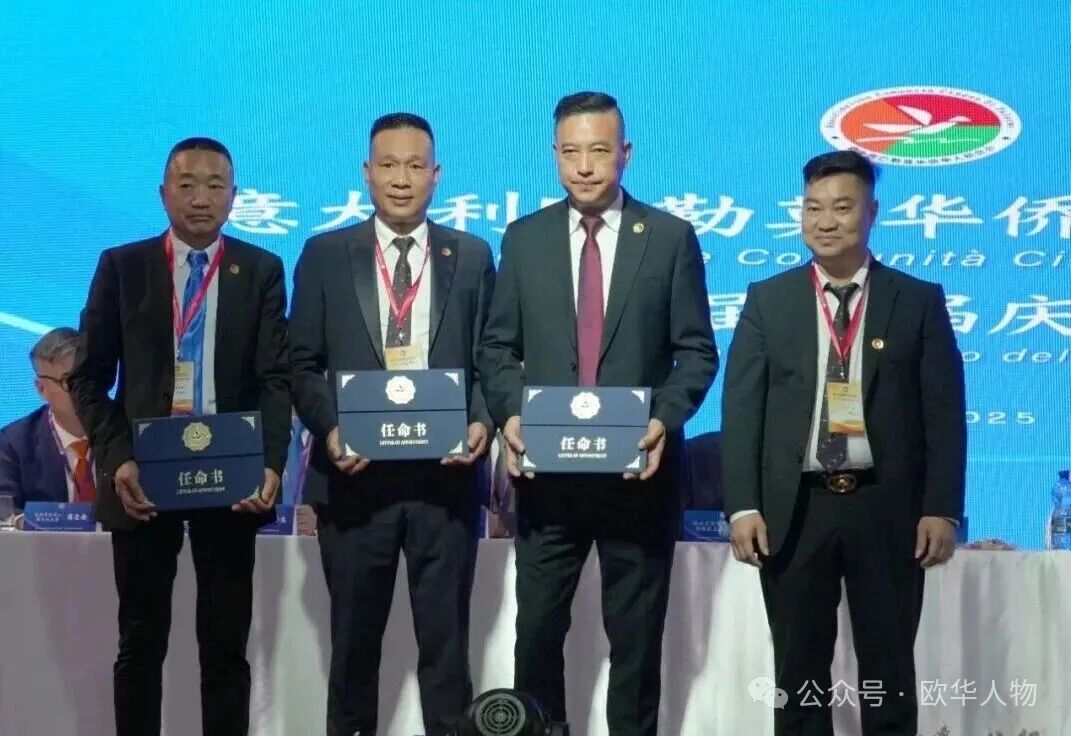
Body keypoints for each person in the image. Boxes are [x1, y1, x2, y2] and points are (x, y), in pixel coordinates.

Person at [478, 91, 718, 736]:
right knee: (536, 638)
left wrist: (662, 419)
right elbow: (497, 348)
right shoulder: (524, 239)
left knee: (636, 645)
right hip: (546, 481)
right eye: (571, 152)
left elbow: (696, 351)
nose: (584, 166)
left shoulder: (668, 238)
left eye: (599, 151)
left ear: (626, 153)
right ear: (554, 153)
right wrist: (510, 416)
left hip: (638, 479)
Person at [721, 150, 966, 736]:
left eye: (841, 207)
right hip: (796, 510)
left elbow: (943, 413)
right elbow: (743, 410)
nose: (825, 222)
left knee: (888, 667)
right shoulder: (769, 300)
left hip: (885, 508)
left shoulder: (916, 301)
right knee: (798, 669)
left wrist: (941, 508)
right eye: (813, 208)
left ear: (871, 212)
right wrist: (743, 505)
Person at [67, 137, 291, 736]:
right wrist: (117, 459)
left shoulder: (261, 271)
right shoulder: (123, 267)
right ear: (163, 193)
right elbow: (87, 378)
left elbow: (275, 379)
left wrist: (270, 464)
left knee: (225, 647)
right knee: (140, 643)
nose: (201, 198)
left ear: (235, 197)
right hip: (142, 478)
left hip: (230, 478)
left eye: (215, 185)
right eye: (187, 184)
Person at [289, 112, 495, 736]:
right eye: (388, 165)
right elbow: (301, 362)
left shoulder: (472, 255)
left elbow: (493, 357)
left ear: (436, 175)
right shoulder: (326, 254)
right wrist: (330, 429)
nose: (401, 179)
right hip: (354, 481)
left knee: (447, 655)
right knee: (353, 654)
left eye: (414, 166)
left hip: (445, 483)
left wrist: (481, 421)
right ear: (366, 173)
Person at [0, 328, 94, 525]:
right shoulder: (13, 444)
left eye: (85, 377)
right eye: (67, 381)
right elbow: (5, 514)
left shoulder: (124, 432)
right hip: (44, 545)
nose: (80, 389)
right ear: (41, 389)